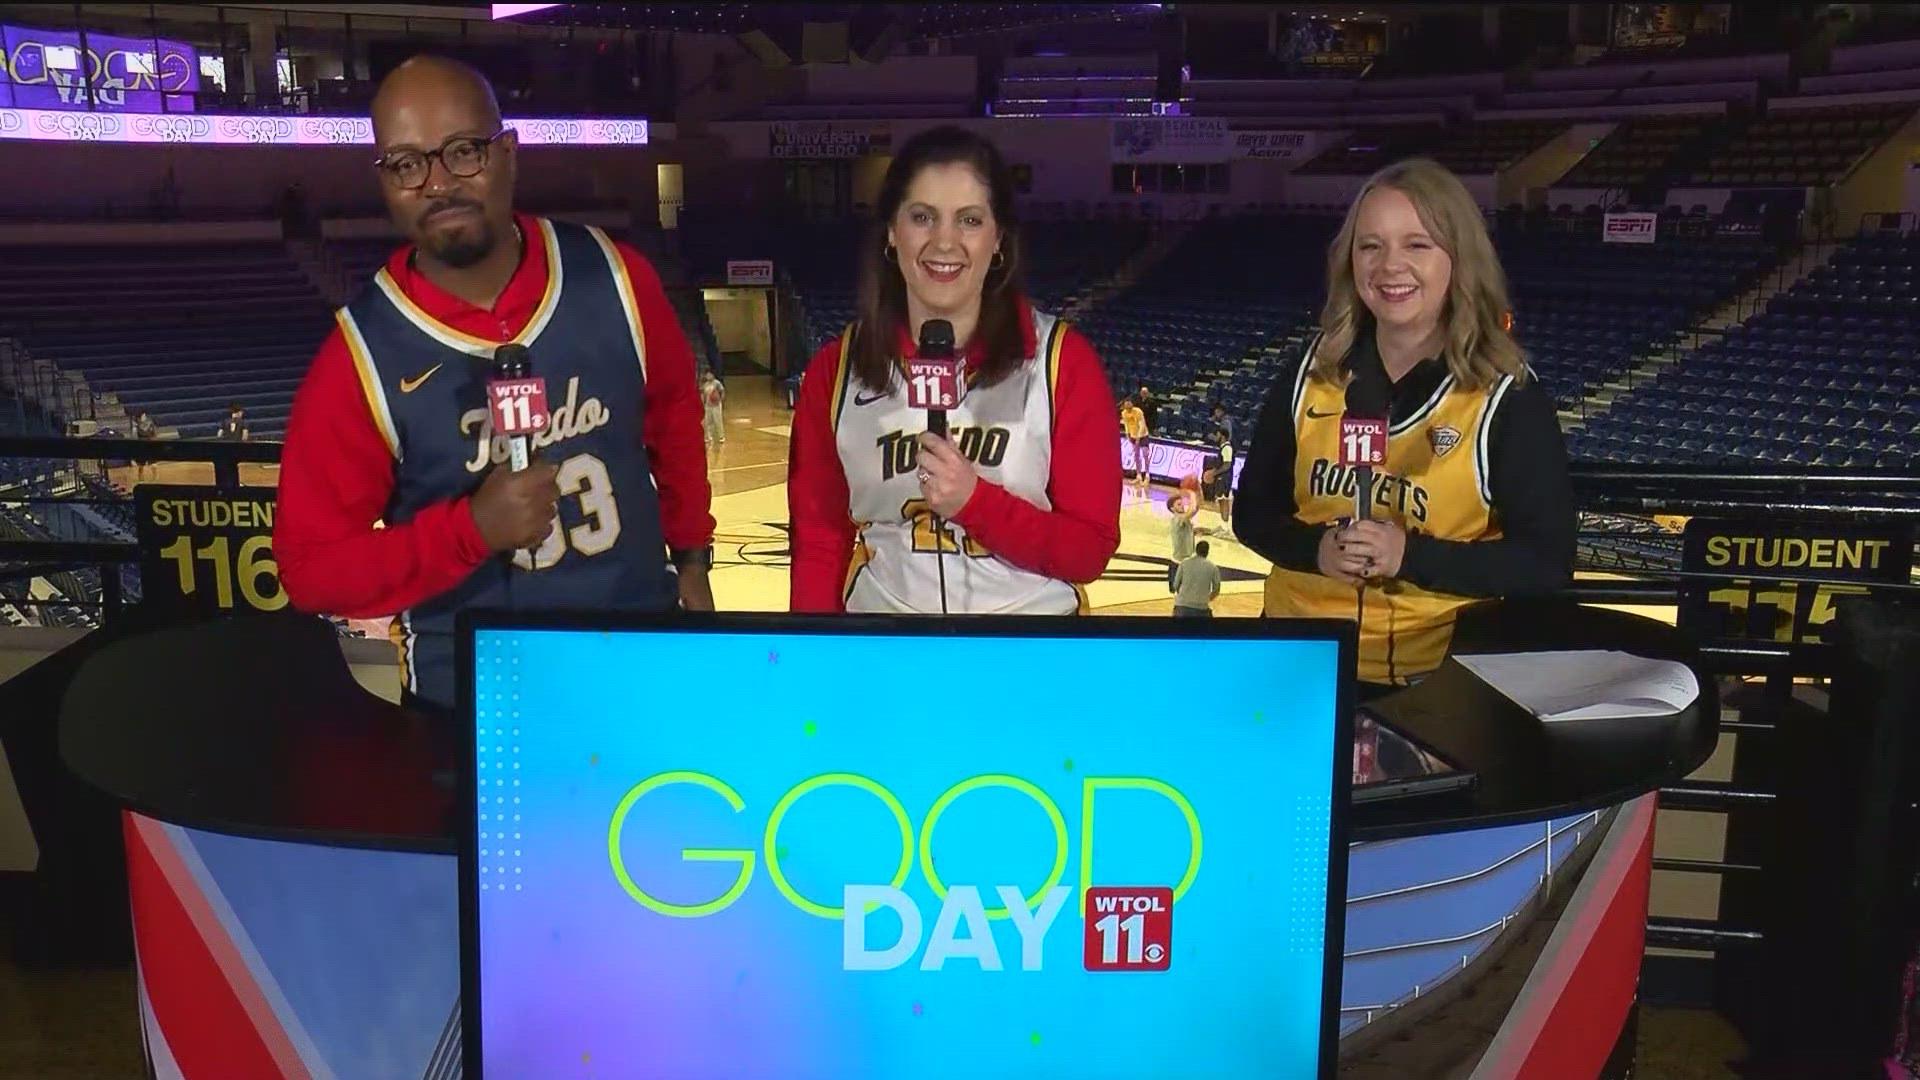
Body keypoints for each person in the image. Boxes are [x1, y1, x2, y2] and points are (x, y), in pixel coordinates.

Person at [272, 55, 715, 715]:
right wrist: (470, 529)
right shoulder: (358, 354)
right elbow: (310, 571)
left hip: (635, 657)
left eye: (462, 152)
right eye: (406, 163)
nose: (437, 183)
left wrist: (693, 557)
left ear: (509, 152)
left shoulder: (617, 278)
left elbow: (674, 419)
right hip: (472, 700)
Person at [1235, 157, 1574, 689]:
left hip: (1435, 679)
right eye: (1371, 245)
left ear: (1459, 260)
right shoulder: (1310, 371)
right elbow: (1253, 513)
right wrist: (1317, 550)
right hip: (1295, 660)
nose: (1390, 265)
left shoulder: (1508, 396)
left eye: (1417, 244)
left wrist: (1408, 556)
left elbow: (1545, 563)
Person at [788, 125, 1120, 615]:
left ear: (998, 239)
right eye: (922, 217)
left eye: (969, 220)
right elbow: (820, 539)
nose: (945, 242)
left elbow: (1088, 550)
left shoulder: (1062, 362)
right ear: (891, 232)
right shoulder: (835, 370)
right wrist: (813, 658)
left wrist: (976, 503)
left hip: (1027, 649)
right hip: (886, 651)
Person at [1171, 539, 1219, 618]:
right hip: (1201, 608)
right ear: (1207, 552)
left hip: (1182, 606)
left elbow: (1175, 585)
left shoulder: (1184, 563)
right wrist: (1205, 600)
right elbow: (1216, 590)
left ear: (1196, 550)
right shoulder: (1212, 567)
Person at [1167, 482, 1198, 591]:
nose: (1183, 506)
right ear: (1172, 509)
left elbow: (1197, 507)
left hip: (1187, 562)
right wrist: (1192, 493)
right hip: (1178, 565)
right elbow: (1193, 509)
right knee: (1180, 597)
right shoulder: (1177, 519)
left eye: (1182, 504)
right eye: (1179, 505)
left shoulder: (1184, 519)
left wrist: (1198, 489)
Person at [1205, 426, 1235, 531]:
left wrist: (1214, 473)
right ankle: (1223, 525)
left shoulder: (1227, 448)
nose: (1215, 437)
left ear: (1222, 436)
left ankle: (1225, 527)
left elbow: (1227, 465)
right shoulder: (1223, 447)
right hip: (1222, 477)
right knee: (1221, 501)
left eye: (1217, 434)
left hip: (1225, 478)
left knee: (1224, 500)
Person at [1121, 397, 1149, 497]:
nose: (1127, 406)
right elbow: (1126, 425)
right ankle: (1138, 476)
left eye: (1129, 404)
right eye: (1126, 404)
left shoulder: (1138, 411)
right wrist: (1127, 434)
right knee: (1136, 456)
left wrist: (1138, 437)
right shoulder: (1124, 413)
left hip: (1143, 435)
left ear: (1132, 404)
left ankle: (1147, 475)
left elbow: (1142, 425)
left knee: (1145, 454)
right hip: (1133, 435)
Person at [700, 368, 726, 448]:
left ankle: (721, 436)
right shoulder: (706, 384)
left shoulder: (717, 383)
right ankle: (708, 437)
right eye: (707, 375)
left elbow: (722, 391)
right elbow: (703, 394)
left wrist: (720, 400)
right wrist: (703, 403)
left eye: (709, 374)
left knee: (717, 421)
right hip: (708, 405)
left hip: (716, 405)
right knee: (708, 422)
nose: (708, 376)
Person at [131, 410, 158, 482]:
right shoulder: (135, 427)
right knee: (141, 466)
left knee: (153, 464)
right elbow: (134, 438)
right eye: (143, 416)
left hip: (150, 446)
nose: (144, 417)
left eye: (145, 416)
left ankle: (155, 478)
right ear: (139, 418)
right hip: (141, 447)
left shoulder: (150, 424)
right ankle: (141, 479)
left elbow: (154, 434)